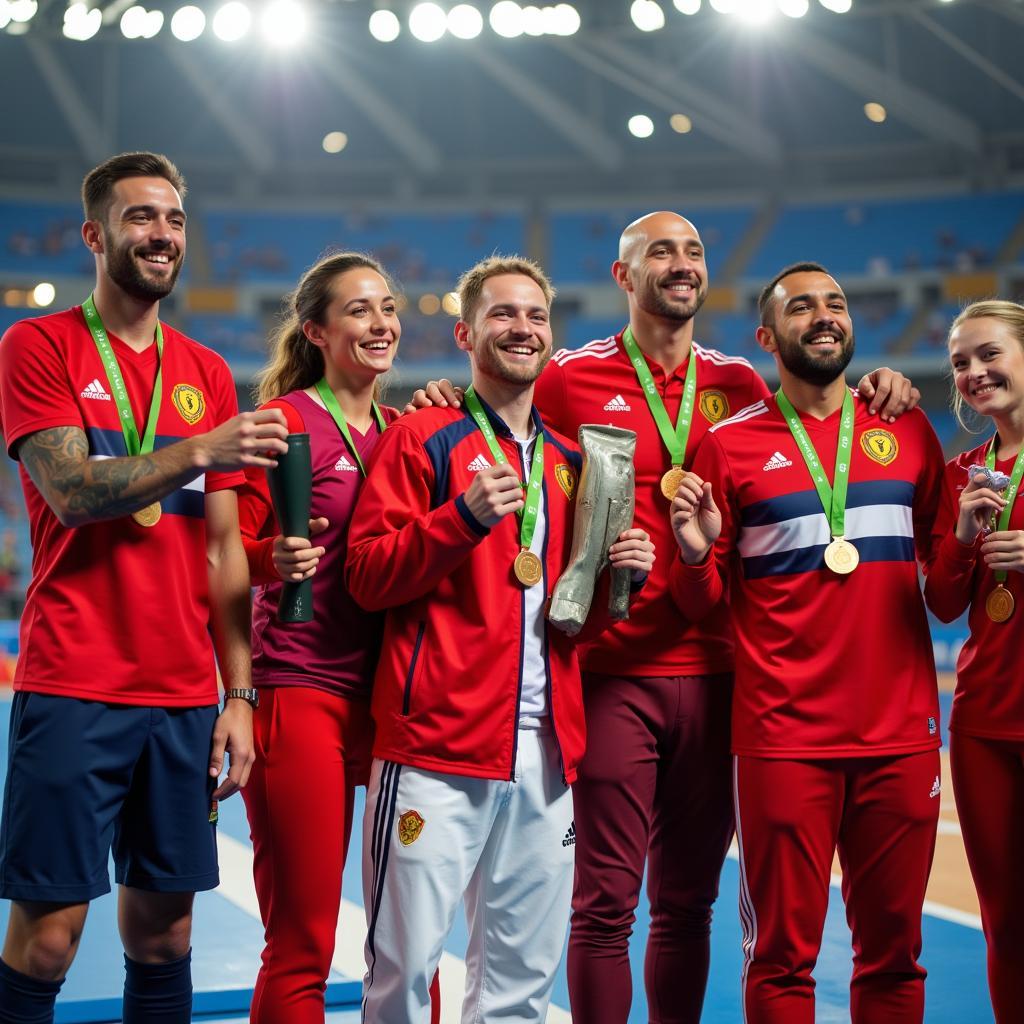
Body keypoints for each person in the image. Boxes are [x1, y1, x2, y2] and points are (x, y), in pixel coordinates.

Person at [410, 212, 919, 1023]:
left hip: (723, 671)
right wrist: (441, 391)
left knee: (689, 903)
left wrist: (879, 384)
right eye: (659, 253)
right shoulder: (570, 376)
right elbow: (491, 401)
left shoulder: (742, 386)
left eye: (692, 252)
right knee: (604, 904)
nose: (679, 266)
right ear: (624, 277)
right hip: (612, 670)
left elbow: (816, 416)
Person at [0, 151, 289, 1024]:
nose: (160, 234)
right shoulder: (37, 345)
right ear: (95, 234)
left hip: (181, 697)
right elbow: (73, 491)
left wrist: (236, 693)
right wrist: (200, 450)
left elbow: (223, 551)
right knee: (49, 936)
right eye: (139, 217)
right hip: (73, 683)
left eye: (173, 219)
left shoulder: (202, 371)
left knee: (165, 936)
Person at [346, 255, 655, 1024]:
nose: (523, 328)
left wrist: (627, 583)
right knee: (403, 975)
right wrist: (462, 521)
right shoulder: (424, 436)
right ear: (465, 331)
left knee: (520, 986)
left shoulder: (574, 463)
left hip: (547, 755)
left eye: (536, 316)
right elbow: (367, 578)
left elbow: (573, 621)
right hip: (434, 751)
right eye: (502, 314)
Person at [669, 261, 944, 1024]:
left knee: (895, 955)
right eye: (801, 308)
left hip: (901, 736)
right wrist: (693, 553)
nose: (823, 317)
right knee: (782, 959)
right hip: (783, 738)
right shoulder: (726, 446)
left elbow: (948, 586)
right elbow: (705, 607)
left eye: (836, 303)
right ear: (768, 337)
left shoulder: (906, 427)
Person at [236, 251, 439, 1024]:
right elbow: (225, 559)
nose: (381, 322)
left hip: (396, 703)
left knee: (410, 943)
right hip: (301, 691)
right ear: (315, 331)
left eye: (387, 307)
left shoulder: (409, 429)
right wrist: (271, 558)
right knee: (302, 939)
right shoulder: (280, 425)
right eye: (359, 310)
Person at [924, 300, 1024, 1023]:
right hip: (987, 722)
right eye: (961, 362)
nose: (974, 372)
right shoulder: (966, 472)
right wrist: (960, 532)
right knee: (1008, 922)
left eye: (990, 354)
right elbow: (945, 603)